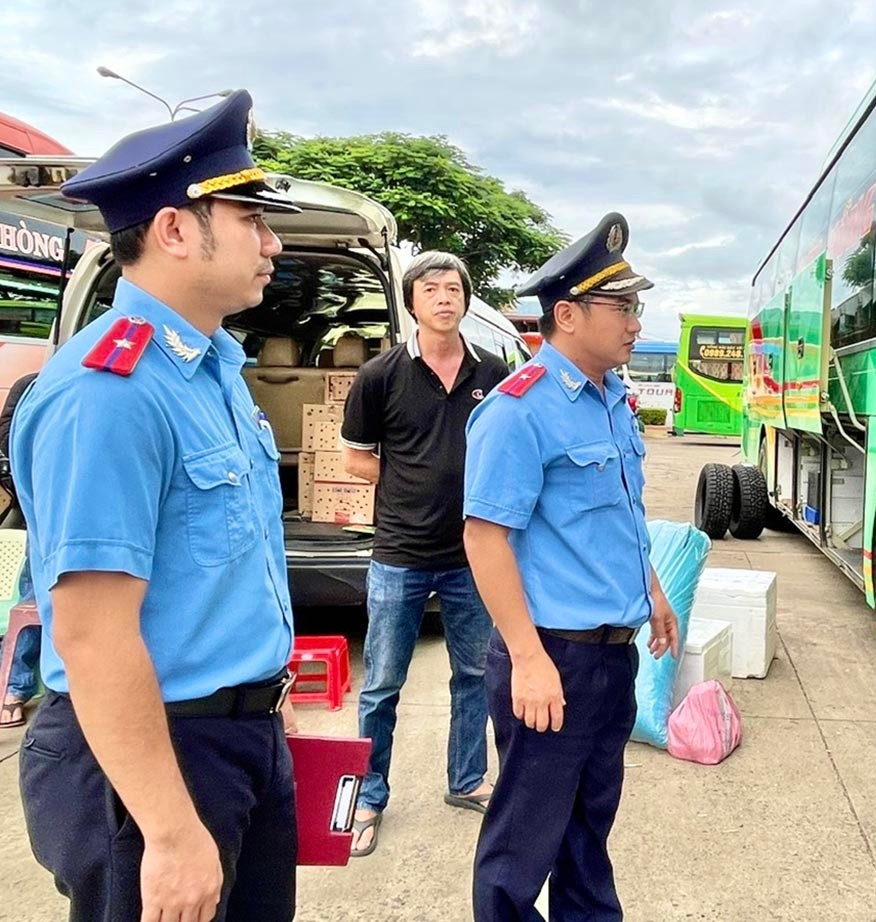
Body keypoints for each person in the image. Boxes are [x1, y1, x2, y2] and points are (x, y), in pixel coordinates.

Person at [11, 91, 304, 922]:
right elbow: (92, 633)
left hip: (237, 739)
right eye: (252, 219)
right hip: (153, 759)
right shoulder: (111, 391)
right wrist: (171, 834)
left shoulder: (211, 371)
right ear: (175, 230)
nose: (273, 242)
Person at [463, 212, 680, 921]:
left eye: (635, 307)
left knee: (589, 833)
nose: (635, 323)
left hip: (610, 658)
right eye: (622, 307)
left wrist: (653, 593)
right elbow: (485, 539)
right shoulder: (519, 410)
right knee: (522, 846)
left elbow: (620, 516)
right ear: (567, 315)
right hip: (552, 658)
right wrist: (527, 659)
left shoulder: (613, 399)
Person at [339, 250, 509, 857]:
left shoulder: (492, 370)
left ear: (466, 299)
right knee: (382, 683)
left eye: (454, 288)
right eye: (431, 289)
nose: (444, 297)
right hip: (399, 554)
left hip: (471, 554)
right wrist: (408, 482)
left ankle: (467, 780)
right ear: (412, 302)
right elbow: (354, 456)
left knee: (474, 675)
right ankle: (369, 796)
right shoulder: (379, 375)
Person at [0, 372, 39, 729]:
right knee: (34, 596)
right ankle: (14, 685)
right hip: (43, 510)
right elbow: (9, 440)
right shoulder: (33, 385)